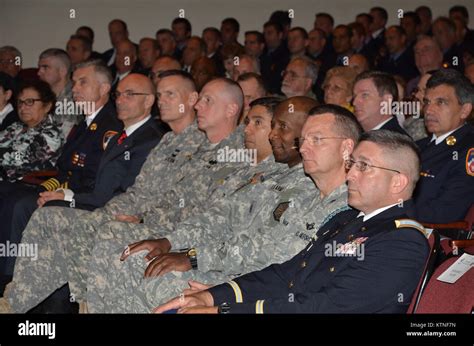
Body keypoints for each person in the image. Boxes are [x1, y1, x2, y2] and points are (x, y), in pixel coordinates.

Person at [85, 99, 359, 314]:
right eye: (305, 139)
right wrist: (175, 243)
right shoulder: (295, 187)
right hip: (238, 274)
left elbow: (277, 260)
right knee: (137, 262)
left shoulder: (348, 204)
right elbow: (223, 218)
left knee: (158, 278)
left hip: (263, 289)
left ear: (347, 148)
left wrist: (203, 268)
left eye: (317, 140)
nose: (305, 147)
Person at [0, 77, 246, 313]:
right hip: (150, 220)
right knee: (49, 217)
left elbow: (202, 212)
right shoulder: (183, 142)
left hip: (171, 232)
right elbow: (144, 191)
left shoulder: (236, 154)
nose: (198, 106)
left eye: (206, 100)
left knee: (107, 231)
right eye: (160, 94)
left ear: (231, 108)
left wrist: (141, 219)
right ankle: (15, 303)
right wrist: (111, 212)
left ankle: (86, 305)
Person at [155, 130, 429, 314]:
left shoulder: (402, 241)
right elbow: (287, 275)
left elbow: (326, 307)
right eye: (352, 164)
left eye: (364, 166)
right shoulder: (346, 219)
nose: (350, 176)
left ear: (398, 182)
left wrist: (225, 310)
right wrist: (214, 296)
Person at [0, 60, 122, 287]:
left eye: (83, 82)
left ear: (104, 88)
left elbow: (91, 179)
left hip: (85, 197)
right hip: (62, 185)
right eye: (74, 83)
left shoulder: (110, 127)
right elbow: (65, 169)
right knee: (6, 193)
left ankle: (11, 278)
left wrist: (62, 193)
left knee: (22, 204)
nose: (74, 89)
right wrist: (51, 187)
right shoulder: (85, 124)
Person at [414, 69, 474, 223]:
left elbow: (444, 213)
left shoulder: (468, 151)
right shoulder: (417, 146)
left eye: (440, 102)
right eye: (427, 102)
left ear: (465, 110)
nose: (428, 110)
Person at [0, 80, 62, 182]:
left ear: (47, 106)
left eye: (29, 102)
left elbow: (21, 159)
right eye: (20, 102)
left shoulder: (51, 135)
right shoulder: (17, 127)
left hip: (25, 187)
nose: (22, 107)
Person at [37, 48, 82, 138]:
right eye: (39, 68)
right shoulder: (42, 95)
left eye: (45, 67)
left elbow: (61, 138)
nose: (39, 73)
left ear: (62, 71)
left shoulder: (74, 98)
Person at [352, 70, 408, 135]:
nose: (354, 102)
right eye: (354, 96)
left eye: (365, 95)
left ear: (387, 100)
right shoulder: (356, 135)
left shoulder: (395, 141)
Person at [260, 21, 290, 94]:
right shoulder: (262, 54)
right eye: (265, 34)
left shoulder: (287, 55)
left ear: (280, 35)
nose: (266, 37)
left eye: (269, 33)